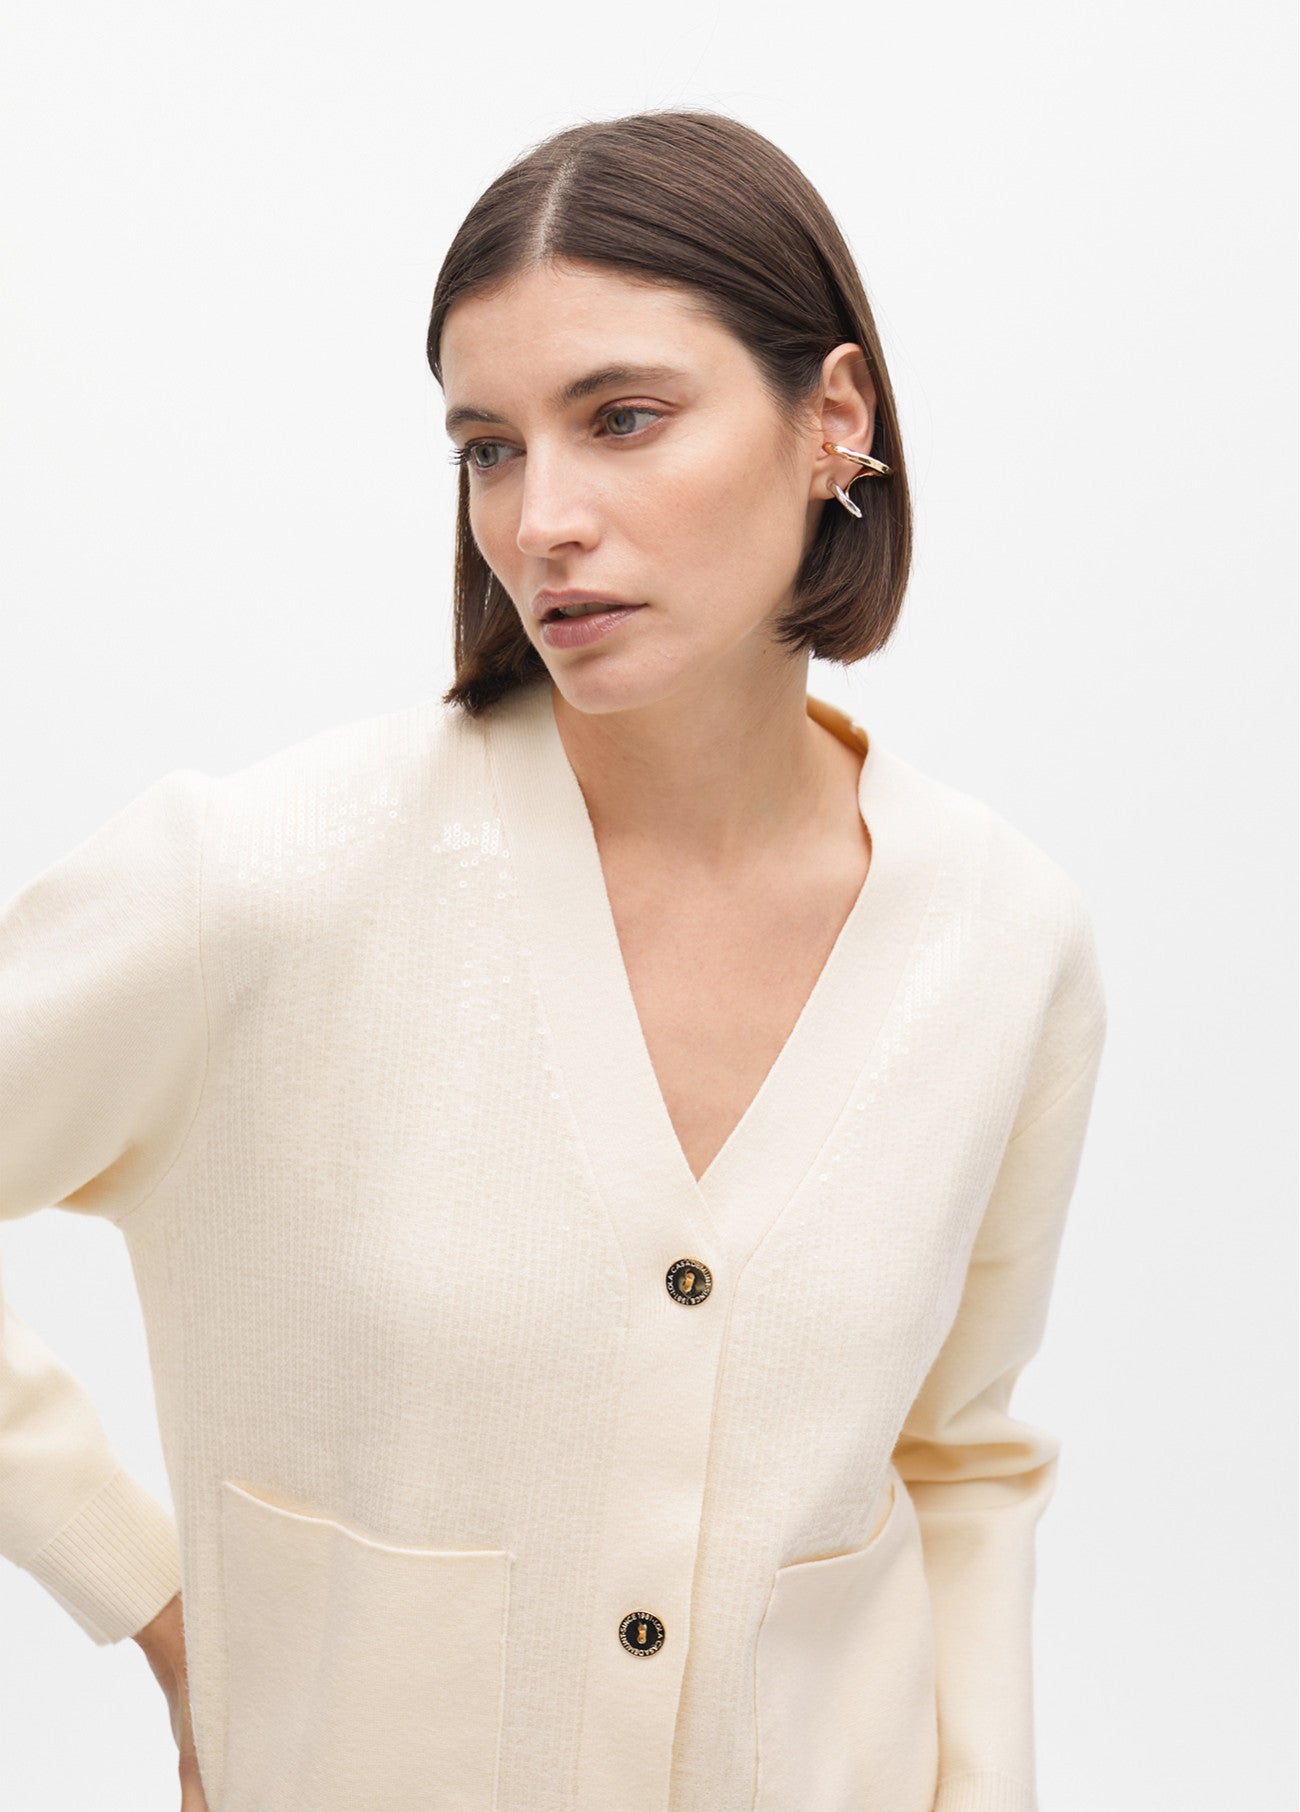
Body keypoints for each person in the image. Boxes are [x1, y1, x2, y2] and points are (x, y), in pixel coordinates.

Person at [0, 109, 1107, 1812]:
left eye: (623, 420)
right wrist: (147, 1595)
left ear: (835, 418)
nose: (541, 521)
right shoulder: (265, 882)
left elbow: (957, 1460)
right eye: (489, 449)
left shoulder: (1003, 940)